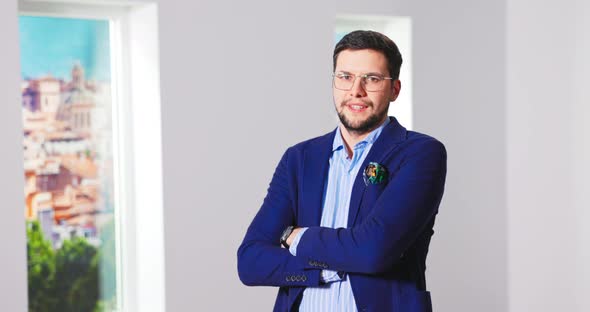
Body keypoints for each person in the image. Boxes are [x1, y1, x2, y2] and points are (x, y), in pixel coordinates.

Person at [237, 30, 447, 312]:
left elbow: (374, 251)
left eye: (372, 79)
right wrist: (323, 271)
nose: (355, 91)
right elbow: (250, 262)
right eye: (345, 77)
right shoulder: (299, 159)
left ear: (394, 89)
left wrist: (296, 237)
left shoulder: (420, 153)